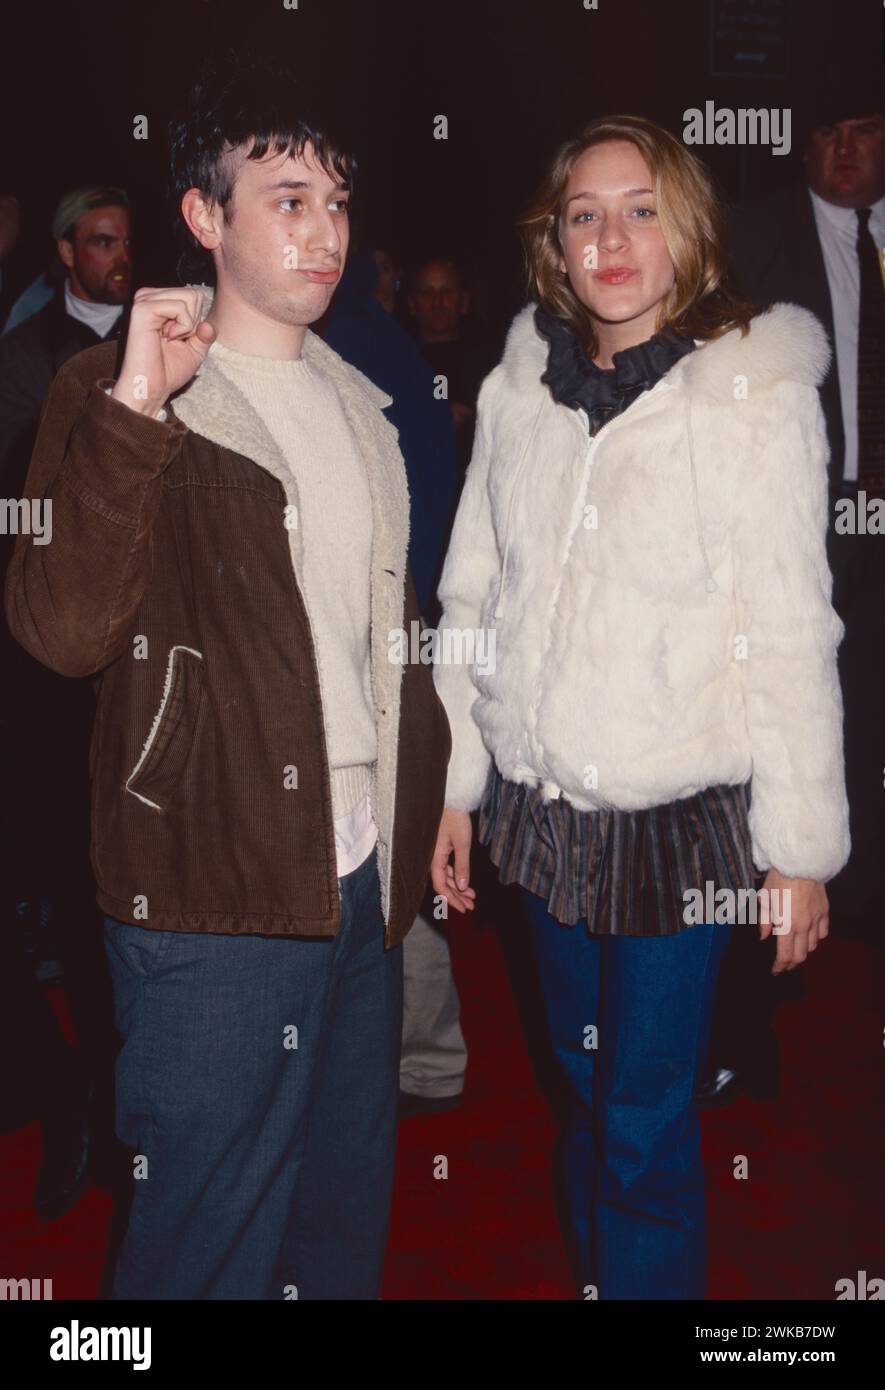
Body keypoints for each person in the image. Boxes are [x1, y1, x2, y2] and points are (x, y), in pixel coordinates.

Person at [5, 62, 450, 1300]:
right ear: (204, 218)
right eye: (289, 199)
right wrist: (141, 407)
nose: (325, 233)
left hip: (359, 883)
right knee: (201, 1248)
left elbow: (386, 643)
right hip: (206, 888)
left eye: (339, 202)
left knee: (335, 1228)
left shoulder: (365, 400)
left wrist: (432, 804)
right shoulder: (118, 394)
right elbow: (59, 628)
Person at [431, 114, 849, 1300]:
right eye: (584, 215)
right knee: (579, 1091)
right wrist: (457, 784)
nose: (611, 238)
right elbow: (471, 592)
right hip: (543, 810)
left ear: (689, 230)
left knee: (644, 1122)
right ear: (553, 246)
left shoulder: (752, 394)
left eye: (641, 208)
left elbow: (789, 631)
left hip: (680, 828)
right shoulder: (521, 383)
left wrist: (801, 849)